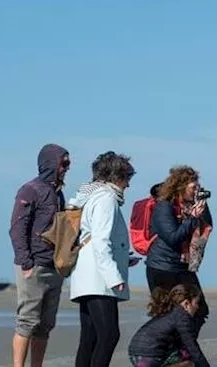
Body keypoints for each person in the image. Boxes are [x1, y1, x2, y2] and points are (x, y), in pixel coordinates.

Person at [69, 152, 137, 367]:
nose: (128, 185)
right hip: (98, 279)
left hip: (86, 275)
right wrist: (113, 276)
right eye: (127, 178)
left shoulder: (91, 195)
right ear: (116, 176)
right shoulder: (106, 198)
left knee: (90, 337)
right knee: (109, 335)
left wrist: (123, 260)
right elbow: (100, 239)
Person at [9, 144, 70, 367]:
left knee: (45, 325)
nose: (66, 168)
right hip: (33, 266)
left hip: (54, 266)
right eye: (63, 163)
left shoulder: (58, 194)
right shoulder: (30, 190)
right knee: (27, 321)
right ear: (50, 163)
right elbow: (17, 228)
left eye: (67, 164)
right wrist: (25, 262)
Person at [146, 166, 212, 337]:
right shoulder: (164, 207)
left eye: (198, 187)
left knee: (199, 309)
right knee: (166, 313)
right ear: (180, 187)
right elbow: (173, 237)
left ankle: (182, 348)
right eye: (193, 188)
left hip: (183, 266)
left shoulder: (191, 206)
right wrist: (192, 218)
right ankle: (164, 350)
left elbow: (207, 226)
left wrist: (202, 209)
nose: (196, 190)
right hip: (162, 267)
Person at [127, 284, 211, 367]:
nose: (197, 307)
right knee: (188, 358)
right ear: (186, 303)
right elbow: (192, 346)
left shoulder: (169, 311)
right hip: (150, 356)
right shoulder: (182, 317)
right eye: (196, 303)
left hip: (135, 355)